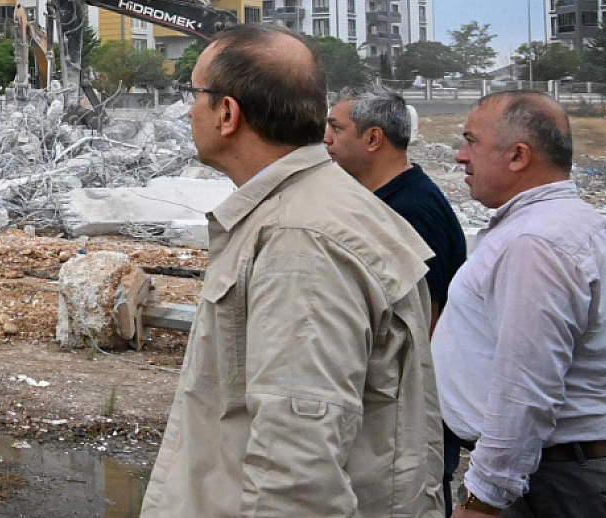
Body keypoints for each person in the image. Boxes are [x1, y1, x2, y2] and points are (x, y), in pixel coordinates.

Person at [141, 25, 444, 518]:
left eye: (194, 94)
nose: (188, 109)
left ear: (227, 113)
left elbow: (299, 467)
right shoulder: (313, 211)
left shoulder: (299, 241)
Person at [435, 91, 606, 517]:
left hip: (554, 482)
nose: (459, 156)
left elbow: (525, 387)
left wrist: (483, 500)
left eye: (471, 141)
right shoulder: (569, 225)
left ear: (517, 156)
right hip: (556, 472)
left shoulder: (536, 243)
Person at [325, 84, 470, 511]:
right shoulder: (388, 202)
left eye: (335, 129)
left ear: (373, 139)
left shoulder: (410, 211)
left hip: (408, 420)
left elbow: (424, 321)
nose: (325, 140)